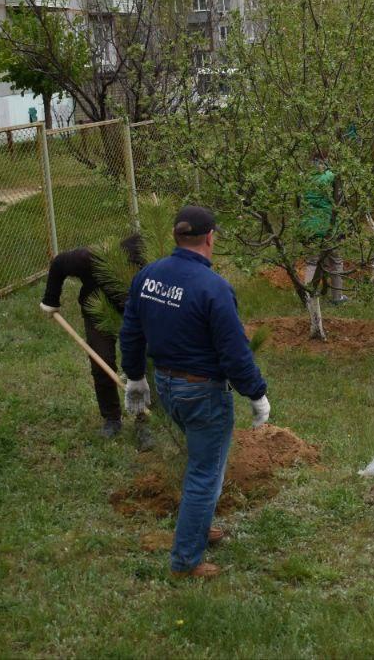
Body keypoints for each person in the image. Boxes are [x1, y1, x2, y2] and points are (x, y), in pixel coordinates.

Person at [119, 206, 270, 579]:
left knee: (203, 463)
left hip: (168, 387)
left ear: (175, 237)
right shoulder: (213, 288)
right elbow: (234, 351)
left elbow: (131, 332)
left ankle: (198, 526)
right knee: (205, 473)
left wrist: (137, 377)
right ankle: (185, 561)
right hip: (201, 392)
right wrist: (256, 394)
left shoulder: (148, 276)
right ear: (209, 237)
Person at [40, 234, 152, 448]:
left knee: (144, 364)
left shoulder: (152, 269)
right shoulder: (89, 259)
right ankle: (111, 418)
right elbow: (58, 263)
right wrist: (50, 300)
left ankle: (144, 421)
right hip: (98, 311)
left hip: (138, 313)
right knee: (102, 361)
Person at [300, 151, 346, 303]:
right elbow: (338, 200)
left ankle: (307, 296)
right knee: (335, 261)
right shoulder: (332, 176)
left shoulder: (304, 177)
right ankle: (337, 297)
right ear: (326, 160)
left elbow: (299, 202)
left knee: (312, 261)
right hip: (327, 225)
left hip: (309, 225)